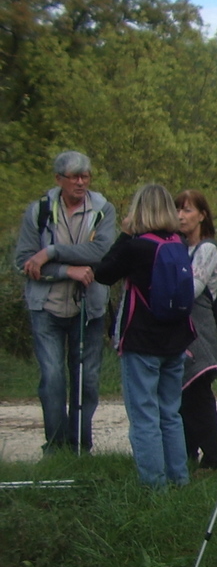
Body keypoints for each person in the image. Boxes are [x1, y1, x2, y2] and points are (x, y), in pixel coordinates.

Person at [92, 184, 195, 489]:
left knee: (144, 415)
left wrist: (124, 234)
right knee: (170, 413)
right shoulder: (179, 243)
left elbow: (103, 273)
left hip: (142, 341)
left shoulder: (135, 247)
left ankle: (153, 485)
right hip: (176, 340)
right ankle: (179, 479)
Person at [15, 151, 116, 455]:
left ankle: (81, 446)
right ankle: (56, 448)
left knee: (88, 380)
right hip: (46, 307)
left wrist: (51, 252)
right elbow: (24, 261)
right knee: (53, 379)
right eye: (74, 177)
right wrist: (66, 271)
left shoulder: (103, 210)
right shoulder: (39, 212)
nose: (81, 182)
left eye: (85, 176)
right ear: (58, 179)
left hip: (89, 308)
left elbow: (101, 252)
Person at [173, 190, 217, 470]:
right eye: (177, 210)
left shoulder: (207, 250)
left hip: (200, 335)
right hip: (183, 334)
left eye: (188, 210)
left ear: (202, 215)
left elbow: (190, 291)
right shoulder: (180, 248)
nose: (181, 216)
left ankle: (215, 458)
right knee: (185, 397)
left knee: (199, 396)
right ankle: (188, 455)